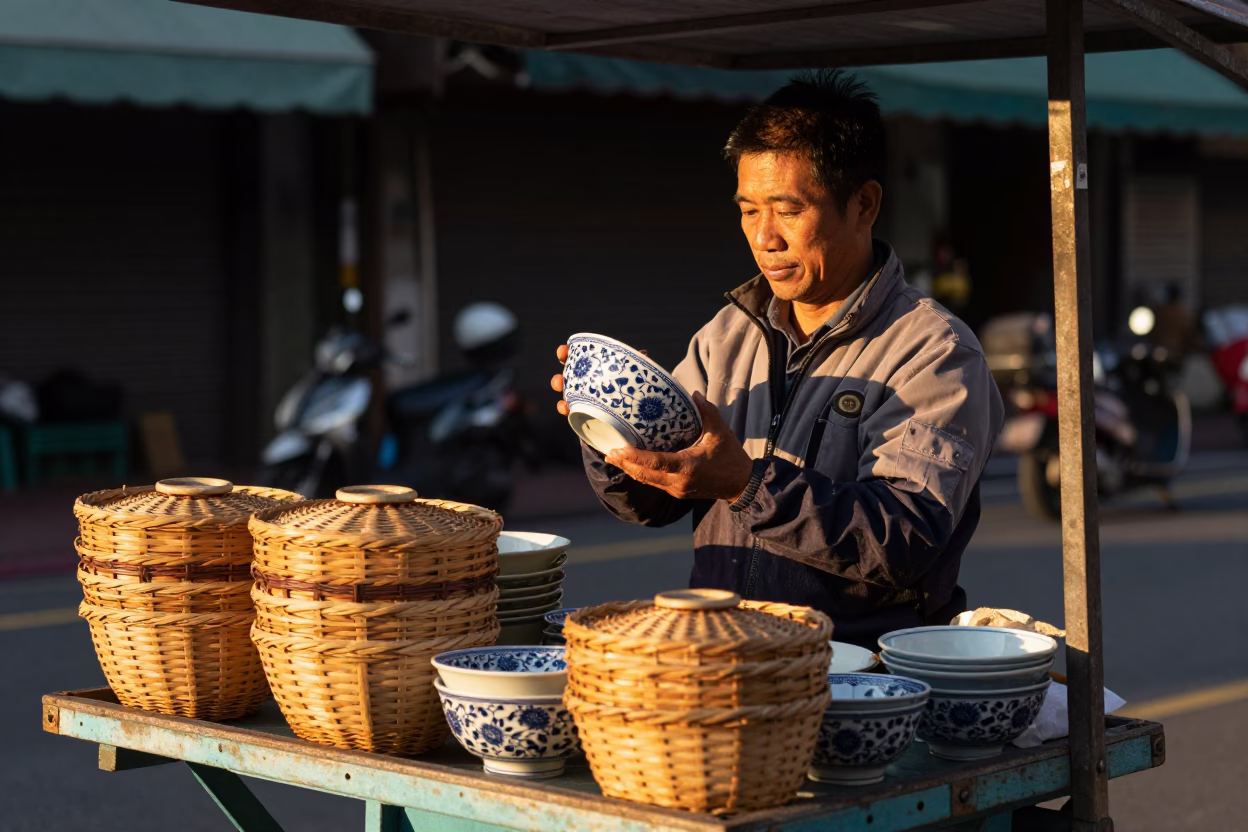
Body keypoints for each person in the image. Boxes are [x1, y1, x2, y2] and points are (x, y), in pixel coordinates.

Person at [549, 70, 1004, 649]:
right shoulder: (727, 335)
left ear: (863, 205)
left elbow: (901, 542)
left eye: (788, 210)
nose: (765, 238)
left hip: (859, 680)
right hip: (726, 661)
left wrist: (746, 484)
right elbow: (650, 504)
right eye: (747, 210)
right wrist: (612, 432)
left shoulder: (934, 352)